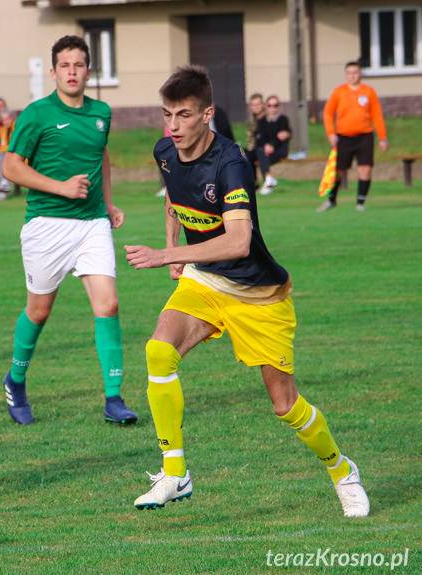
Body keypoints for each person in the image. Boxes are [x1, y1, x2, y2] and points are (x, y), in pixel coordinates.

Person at [124, 66, 368, 517]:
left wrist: (164, 255)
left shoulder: (231, 164)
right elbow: (175, 199)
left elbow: (238, 241)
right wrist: (175, 247)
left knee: (285, 405)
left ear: (207, 115)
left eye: (183, 115)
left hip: (258, 294)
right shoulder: (165, 151)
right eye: (167, 115)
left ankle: (341, 470)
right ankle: (175, 473)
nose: (173, 126)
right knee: (158, 351)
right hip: (205, 280)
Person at [0, 35, 137, 426]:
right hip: (47, 224)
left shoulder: (101, 113)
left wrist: (108, 203)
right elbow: (11, 167)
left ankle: (114, 398)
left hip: (92, 223)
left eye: (79, 65)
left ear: (88, 71)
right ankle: (15, 380)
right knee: (39, 310)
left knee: (108, 305)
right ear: (54, 71)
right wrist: (61, 187)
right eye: (65, 65)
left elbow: (101, 155)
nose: (72, 72)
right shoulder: (37, 114)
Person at [318, 61, 388, 212]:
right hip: (343, 137)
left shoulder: (369, 92)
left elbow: (377, 115)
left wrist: (382, 137)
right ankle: (331, 200)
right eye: (349, 73)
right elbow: (328, 113)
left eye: (355, 72)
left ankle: (360, 203)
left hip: (365, 136)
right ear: (346, 75)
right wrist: (331, 133)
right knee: (338, 171)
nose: (352, 76)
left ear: (360, 74)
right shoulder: (339, 92)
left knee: (365, 169)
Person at [254, 95, 291, 195]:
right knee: (259, 153)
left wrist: (271, 146)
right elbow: (259, 138)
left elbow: (282, 136)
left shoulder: (283, 119)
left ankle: (268, 182)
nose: (272, 108)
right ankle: (268, 180)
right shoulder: (262, 121)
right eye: (270, 105)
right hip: (265, 151)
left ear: (279, 106)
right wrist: (266, 146)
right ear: (266, 106)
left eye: (275, 105)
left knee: (262, 157)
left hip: (279, 150)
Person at [244, 93, 266, 180]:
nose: (255, 107)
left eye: (258, 104)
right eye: (253, 105)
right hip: (254, 149)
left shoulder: (267, 119)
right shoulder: (251, 121)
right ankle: (253, 182)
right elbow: (250, 140)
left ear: (263, 105)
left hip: (265, 149)